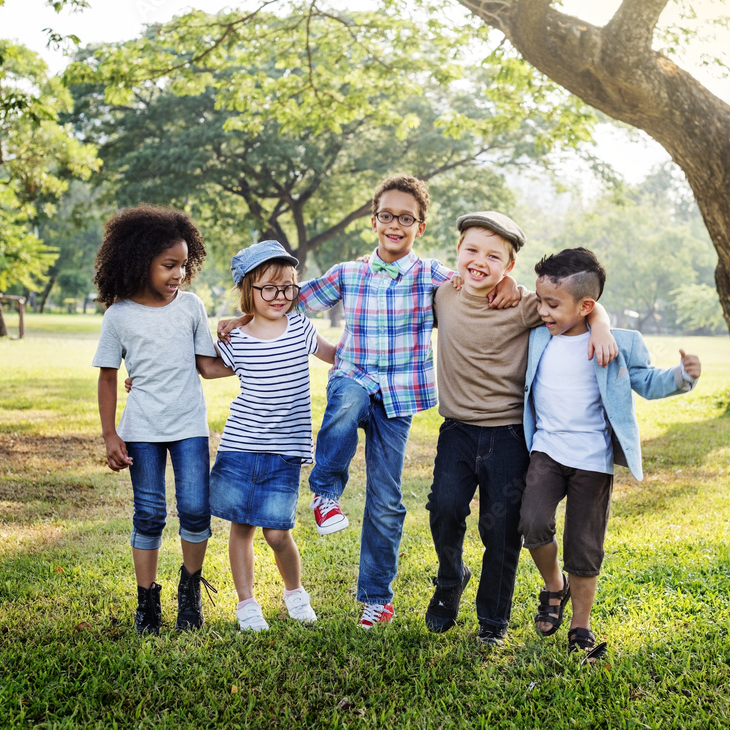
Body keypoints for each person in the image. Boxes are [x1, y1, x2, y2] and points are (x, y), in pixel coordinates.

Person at [219, 175, 519, 628]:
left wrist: (508, 283)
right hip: (354, 376)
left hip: (398, 399)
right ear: (373, 220)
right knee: (343, 408)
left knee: (386, 500)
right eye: (386, 215)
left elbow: (476, 279)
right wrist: (242, 314)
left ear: (420, 225)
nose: (394, 224)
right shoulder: (349, 272)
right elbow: (286, 299)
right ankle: (325, 492)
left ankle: (377, 598)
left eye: (406, 218)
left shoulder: (433, 275)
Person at [425, 212, 617, 645]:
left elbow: (582, 301)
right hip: (456, 429)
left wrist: (601, 325)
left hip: (509, 436)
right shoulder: (442, 294)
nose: (479, 262)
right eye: (471, 250)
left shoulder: (527, 302)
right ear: (456, 253)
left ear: (509, 267)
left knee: (502, 529)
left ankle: (493, 621)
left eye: (494, 256)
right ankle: (451, 575)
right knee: (445, 509)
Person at [519, 247, 702, 659]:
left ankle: (580, 624)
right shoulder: (535, 336)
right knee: (531, 522)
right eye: (540, 301)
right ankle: (554, 586)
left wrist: (681, 376)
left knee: (584, 547)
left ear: (586, 305)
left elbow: (648, 382)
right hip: (546, 450)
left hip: (593, 461)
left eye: (552, 304)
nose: (542, 311)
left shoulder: (618, 343)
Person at [93, 204, 221, 635]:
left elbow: (209, 365)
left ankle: (190, 594)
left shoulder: (190, 308)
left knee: (195, 510)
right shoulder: (119, 315)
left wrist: (255, 344)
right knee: (148, 514)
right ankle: (147, 601)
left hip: (189, 427)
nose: (178, 275)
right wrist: (110, 434)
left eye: (184, 266)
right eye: (169, 266)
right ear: (138, 260)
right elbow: (109, 378)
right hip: (142, 431)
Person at [205, 241, 337, 632]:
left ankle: (295, 594)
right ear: (249, 290)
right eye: (268, 288)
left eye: (287, 288)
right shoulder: (236, 338)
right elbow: (209, 370)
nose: (279, 296)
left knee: (278, 532)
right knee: (240, 527)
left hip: (284, 451)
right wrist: (147, 375)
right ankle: (246, 604)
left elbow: (334, 354)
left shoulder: (300, 327)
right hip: (240, 446)